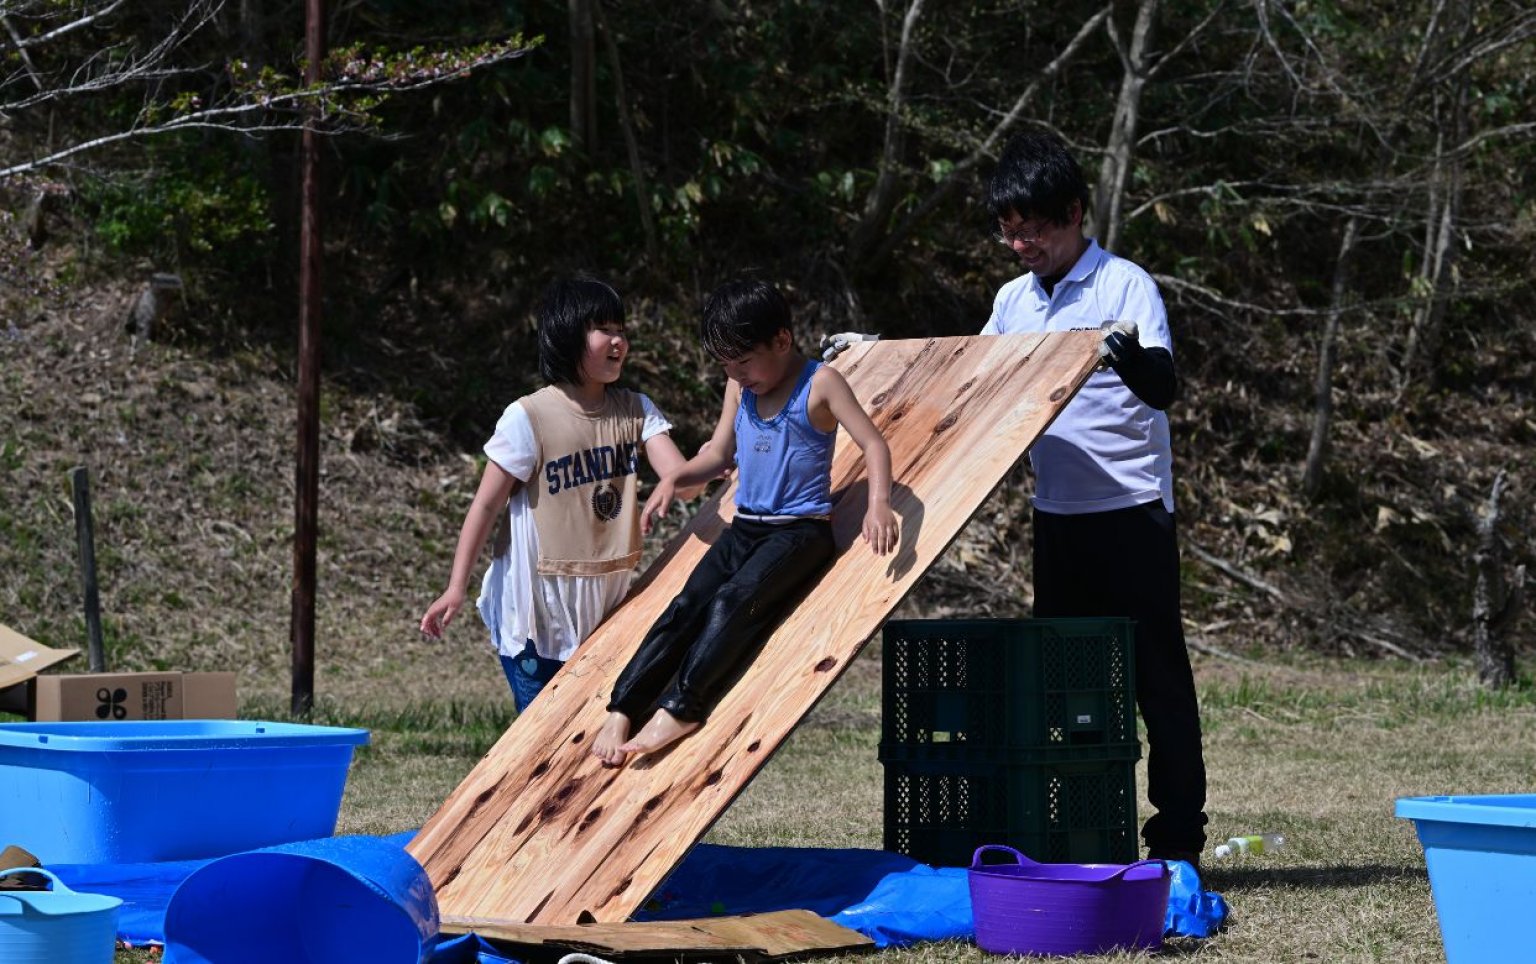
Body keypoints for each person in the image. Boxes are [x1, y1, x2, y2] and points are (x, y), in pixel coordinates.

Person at [981, 130, 1208, 864]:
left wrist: (1125, 352)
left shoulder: (1125, 285)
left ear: (1076, 211)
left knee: (1156, 679)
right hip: (1059, 519)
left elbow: (1163, 387)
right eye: (1010, 231)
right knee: (1069, 687)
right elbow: (974, 385)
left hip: (1133, 514)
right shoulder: (1012, 301)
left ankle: (1177, 837)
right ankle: (1083, 828)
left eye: (1035, 228)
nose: (1022, 244)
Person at [591, 279, 899, 767]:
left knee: (734, 602)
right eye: (726, 366)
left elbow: (874, 444)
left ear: (781, 341)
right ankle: (624, 705)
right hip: (746, 526)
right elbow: (717, 454)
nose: (735, 374)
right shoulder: (740, 385)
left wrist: (878, 504)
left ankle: (682, 707)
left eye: (743, 362)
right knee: (685, 606)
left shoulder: (820, 384)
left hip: (799, 531)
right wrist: (674, 478)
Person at [419, 277, 694, 712]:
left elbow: (684, 479)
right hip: (538, 614)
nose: (619, 340)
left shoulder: (637, 409)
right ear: (567, 334)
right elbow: (486, 505)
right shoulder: (528, 417)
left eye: (622, 329)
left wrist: (702, 471)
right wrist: (456, 587)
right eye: (605, 328)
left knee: (604, 729)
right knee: (542, 737)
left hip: (609, 603)